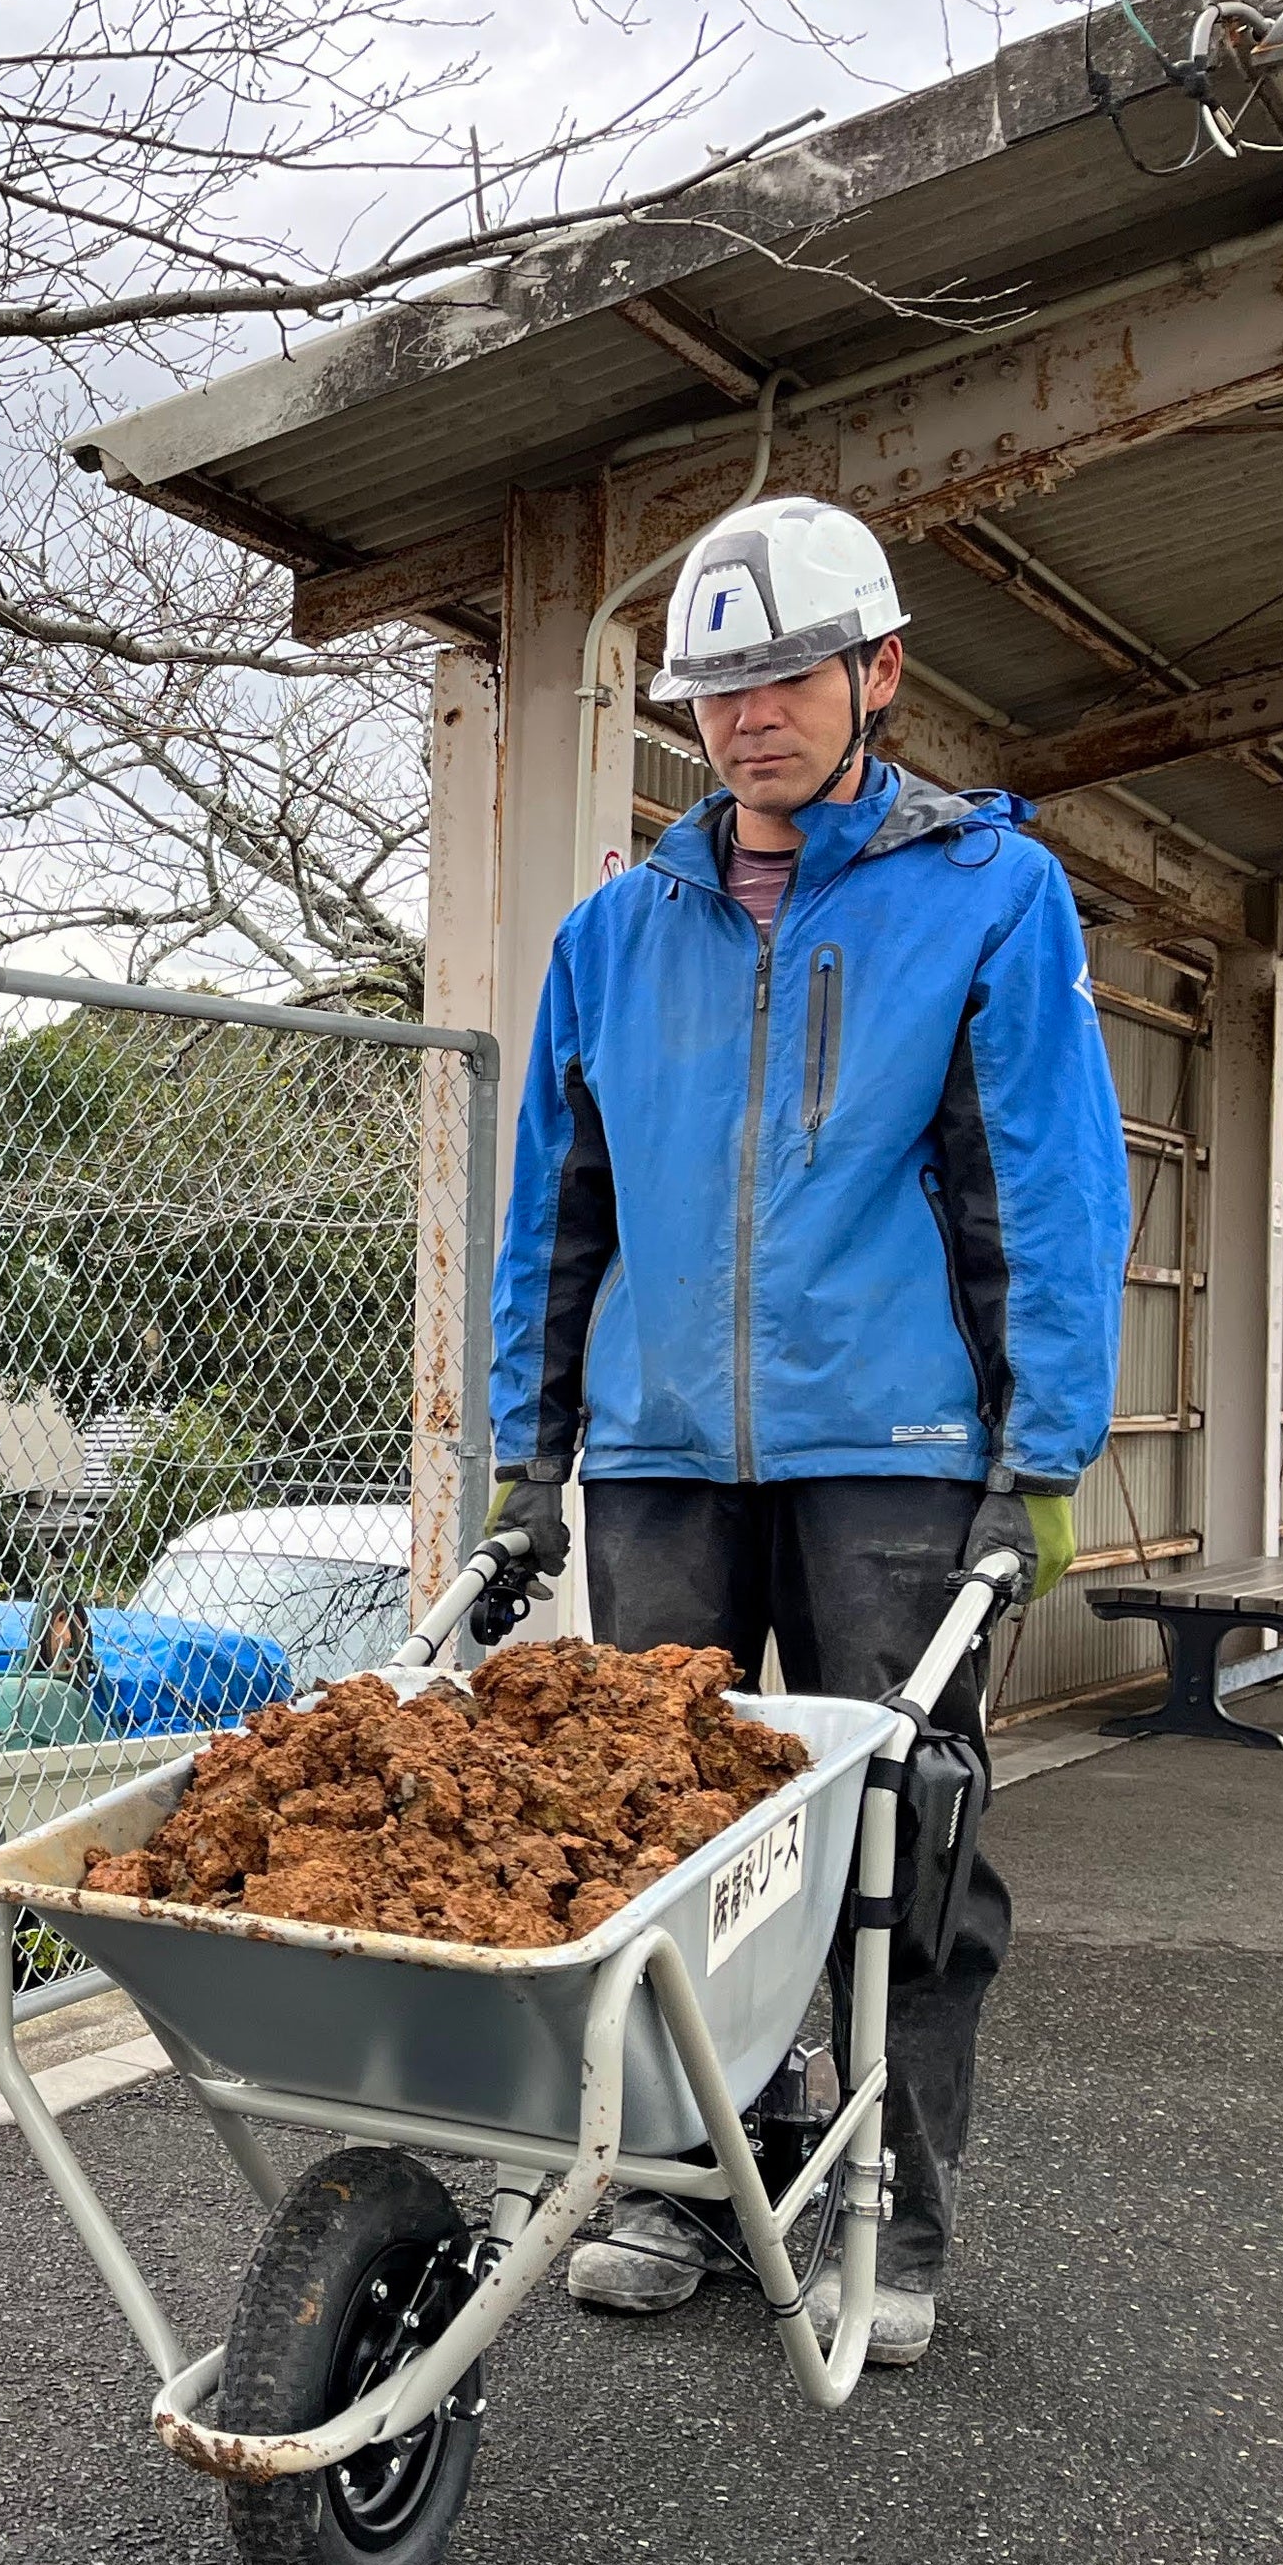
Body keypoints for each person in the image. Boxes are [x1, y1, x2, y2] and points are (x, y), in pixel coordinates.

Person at [481, 495, 1127, 2366]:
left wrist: (1038, 1460)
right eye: (716, 687)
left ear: (879, 670)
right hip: (664, 1456)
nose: (747, 716)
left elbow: (1041, 1197)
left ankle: (890, 2206)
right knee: (673, 1831)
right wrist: (534, 1460)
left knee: (904, 1838)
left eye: (784, 676)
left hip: (897, 1451)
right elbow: (558, 1218)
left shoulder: (989, 893)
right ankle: (695, 2182)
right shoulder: (616, 932)